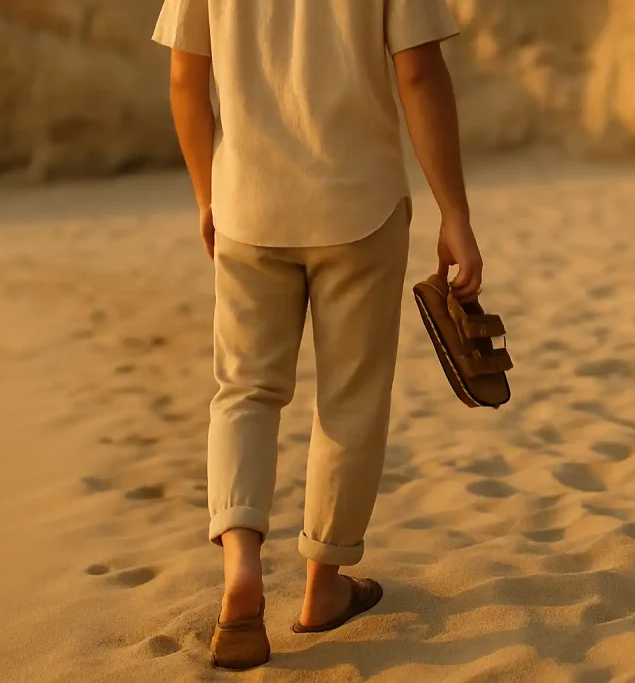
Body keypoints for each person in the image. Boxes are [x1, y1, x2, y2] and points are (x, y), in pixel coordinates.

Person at [152, 0, 484, 669]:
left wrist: (205, 196)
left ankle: (241, 566)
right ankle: (322, 586)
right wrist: (455, 211)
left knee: (244, 390)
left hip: (248, 203)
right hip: (358, 202)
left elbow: (187, 76)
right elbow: (419, 73)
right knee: (351, 400)